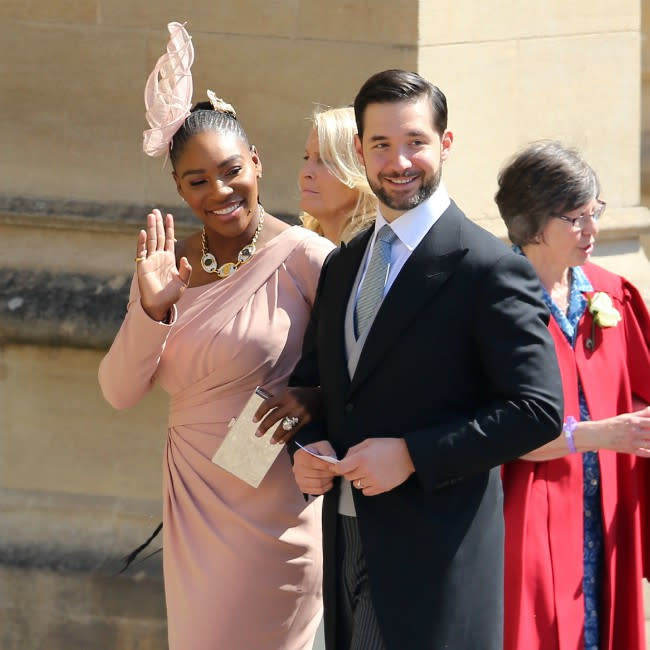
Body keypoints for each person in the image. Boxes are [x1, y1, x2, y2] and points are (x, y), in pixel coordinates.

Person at [287, 69, 564, 650]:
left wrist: (414, 455)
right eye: (381, 145)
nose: (399, 161)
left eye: (415, 141)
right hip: (341, 539)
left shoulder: (490, 268)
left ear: (446, 143)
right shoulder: (344, 265)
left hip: (439, 560)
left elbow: (537, 410)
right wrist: (305, 447)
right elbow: (315, 387)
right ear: (360, 149)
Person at [98, 23, 333, 650]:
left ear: (257, 162)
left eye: (231, 170)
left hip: (277, 516)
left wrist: (315, 399)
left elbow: (369, 366)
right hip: (195, 509)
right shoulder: (164, 268)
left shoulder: (308, 256)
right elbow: (119, 392)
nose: (220, 191)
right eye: (197, 180)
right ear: (178, 189)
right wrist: (151, 310)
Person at [495, 141, 650, 650]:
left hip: (607, 508)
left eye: (595, 212)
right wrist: (600, 433)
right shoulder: (493, 304)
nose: (593, 230)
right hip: (526, 510)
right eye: (576, 218)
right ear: (533, 225)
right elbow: (491, 424)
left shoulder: (611, 294)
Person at [299, 106, 376, 244]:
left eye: (324, 160)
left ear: (358, 168)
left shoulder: (375, 252)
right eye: (306, 157)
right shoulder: (300, 249)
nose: (305, 173)